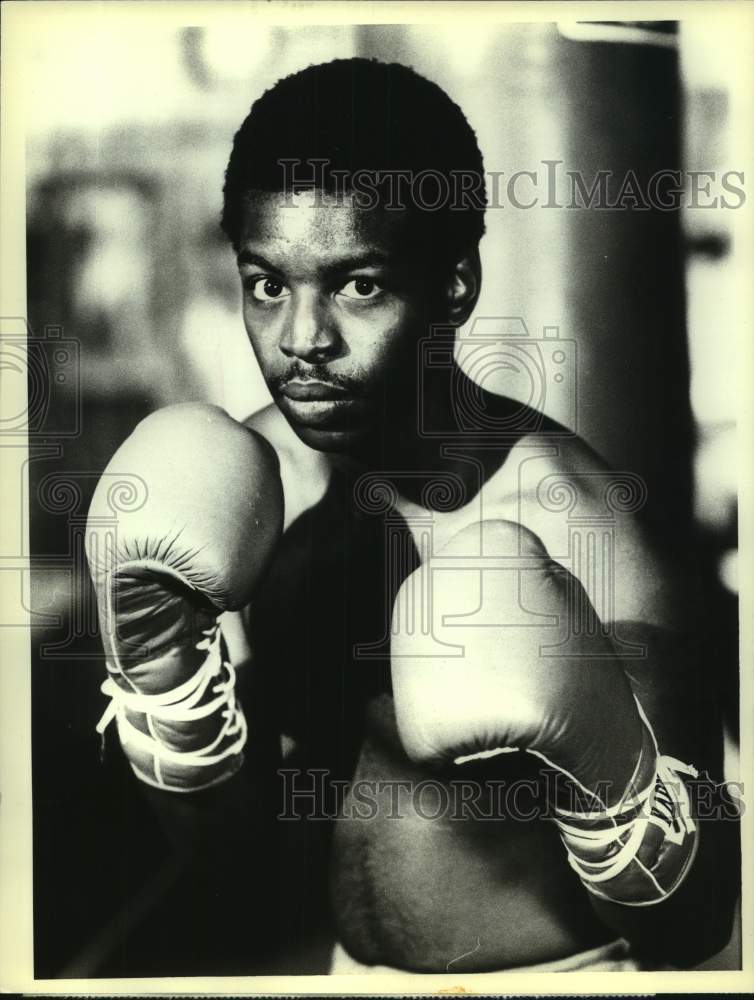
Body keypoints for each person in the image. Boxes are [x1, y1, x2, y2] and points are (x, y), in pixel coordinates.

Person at [86, 58, 739, 974]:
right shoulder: (249, 489)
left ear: (455, 286)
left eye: (358, 285)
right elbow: (232, 861)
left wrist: (614, 792)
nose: (303, 340)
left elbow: (699, 928)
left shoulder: (586, 537)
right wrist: (168, 689)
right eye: (267, 284)